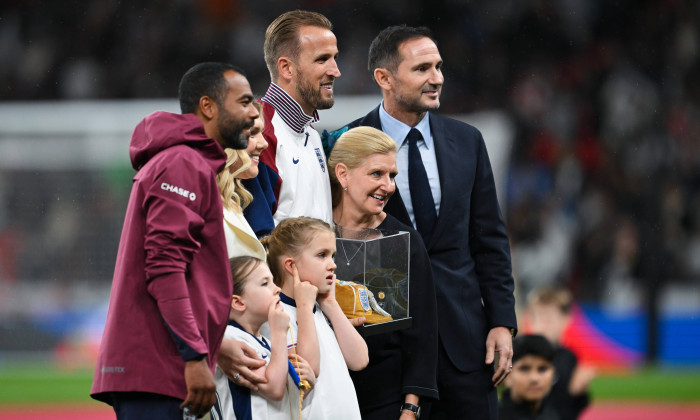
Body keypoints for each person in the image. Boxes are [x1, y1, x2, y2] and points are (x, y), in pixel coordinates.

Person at [329, 25, 517, 419]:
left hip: (465, 346)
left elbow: (489, 240)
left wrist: (502, 321)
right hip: (384, 353)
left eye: (439, 66)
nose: (437, 78)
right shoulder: (345, 143)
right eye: (422, 69)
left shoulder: (468, 141)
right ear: (385, 78)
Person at [90, 62, 259, 419]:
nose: (254, 113)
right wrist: (195, 356)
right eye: (244, 102)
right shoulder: (183, 163)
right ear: (208, 107)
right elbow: (165, 268)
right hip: (161, 366)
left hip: (163, 365)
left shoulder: (186, 161)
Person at [327, 126, 439, 419]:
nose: (388, 186)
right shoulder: (312, 232)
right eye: (377, 174)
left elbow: (422, 336)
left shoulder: (405, 240)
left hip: (385, 404)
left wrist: (410, 409)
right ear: (343, 174)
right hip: (323, 394)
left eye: (392, 176)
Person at [243, 10, 341, 237]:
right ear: (286, 68)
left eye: (335, 58)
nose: (336, 71)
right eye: (322, 59)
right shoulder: (258, 136)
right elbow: (254, 243)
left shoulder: (311, 132)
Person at [261, 216, 368, 419]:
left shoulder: (319, 307)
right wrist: (303, 307)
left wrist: (330, 304)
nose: (333, 265)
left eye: (333, 256)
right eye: (322, 255)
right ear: (291, 266)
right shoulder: (277, 314)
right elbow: (308, 373)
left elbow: (359, 360)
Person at [211, 256, 316, 420]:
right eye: (265, 283)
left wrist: (306, 384)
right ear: (238, 303)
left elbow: (284, 399)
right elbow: (274, 389)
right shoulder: (230, 339)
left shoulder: (265, 343)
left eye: (273, 281)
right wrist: (279, 333)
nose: (277, 289)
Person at [525, 287, 594, 420]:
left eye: (549, 319)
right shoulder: (523, 357)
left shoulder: (569, 358)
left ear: (566, 319)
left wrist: (578, 392)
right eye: (538, 318)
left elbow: (573, 410)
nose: (543, 325)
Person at [498, 335, 560, 420]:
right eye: (524, 369)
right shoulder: (491, 415)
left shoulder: (553, 415)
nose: (534, 378)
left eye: (542, 369)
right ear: (507, 375)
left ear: (553, 373)